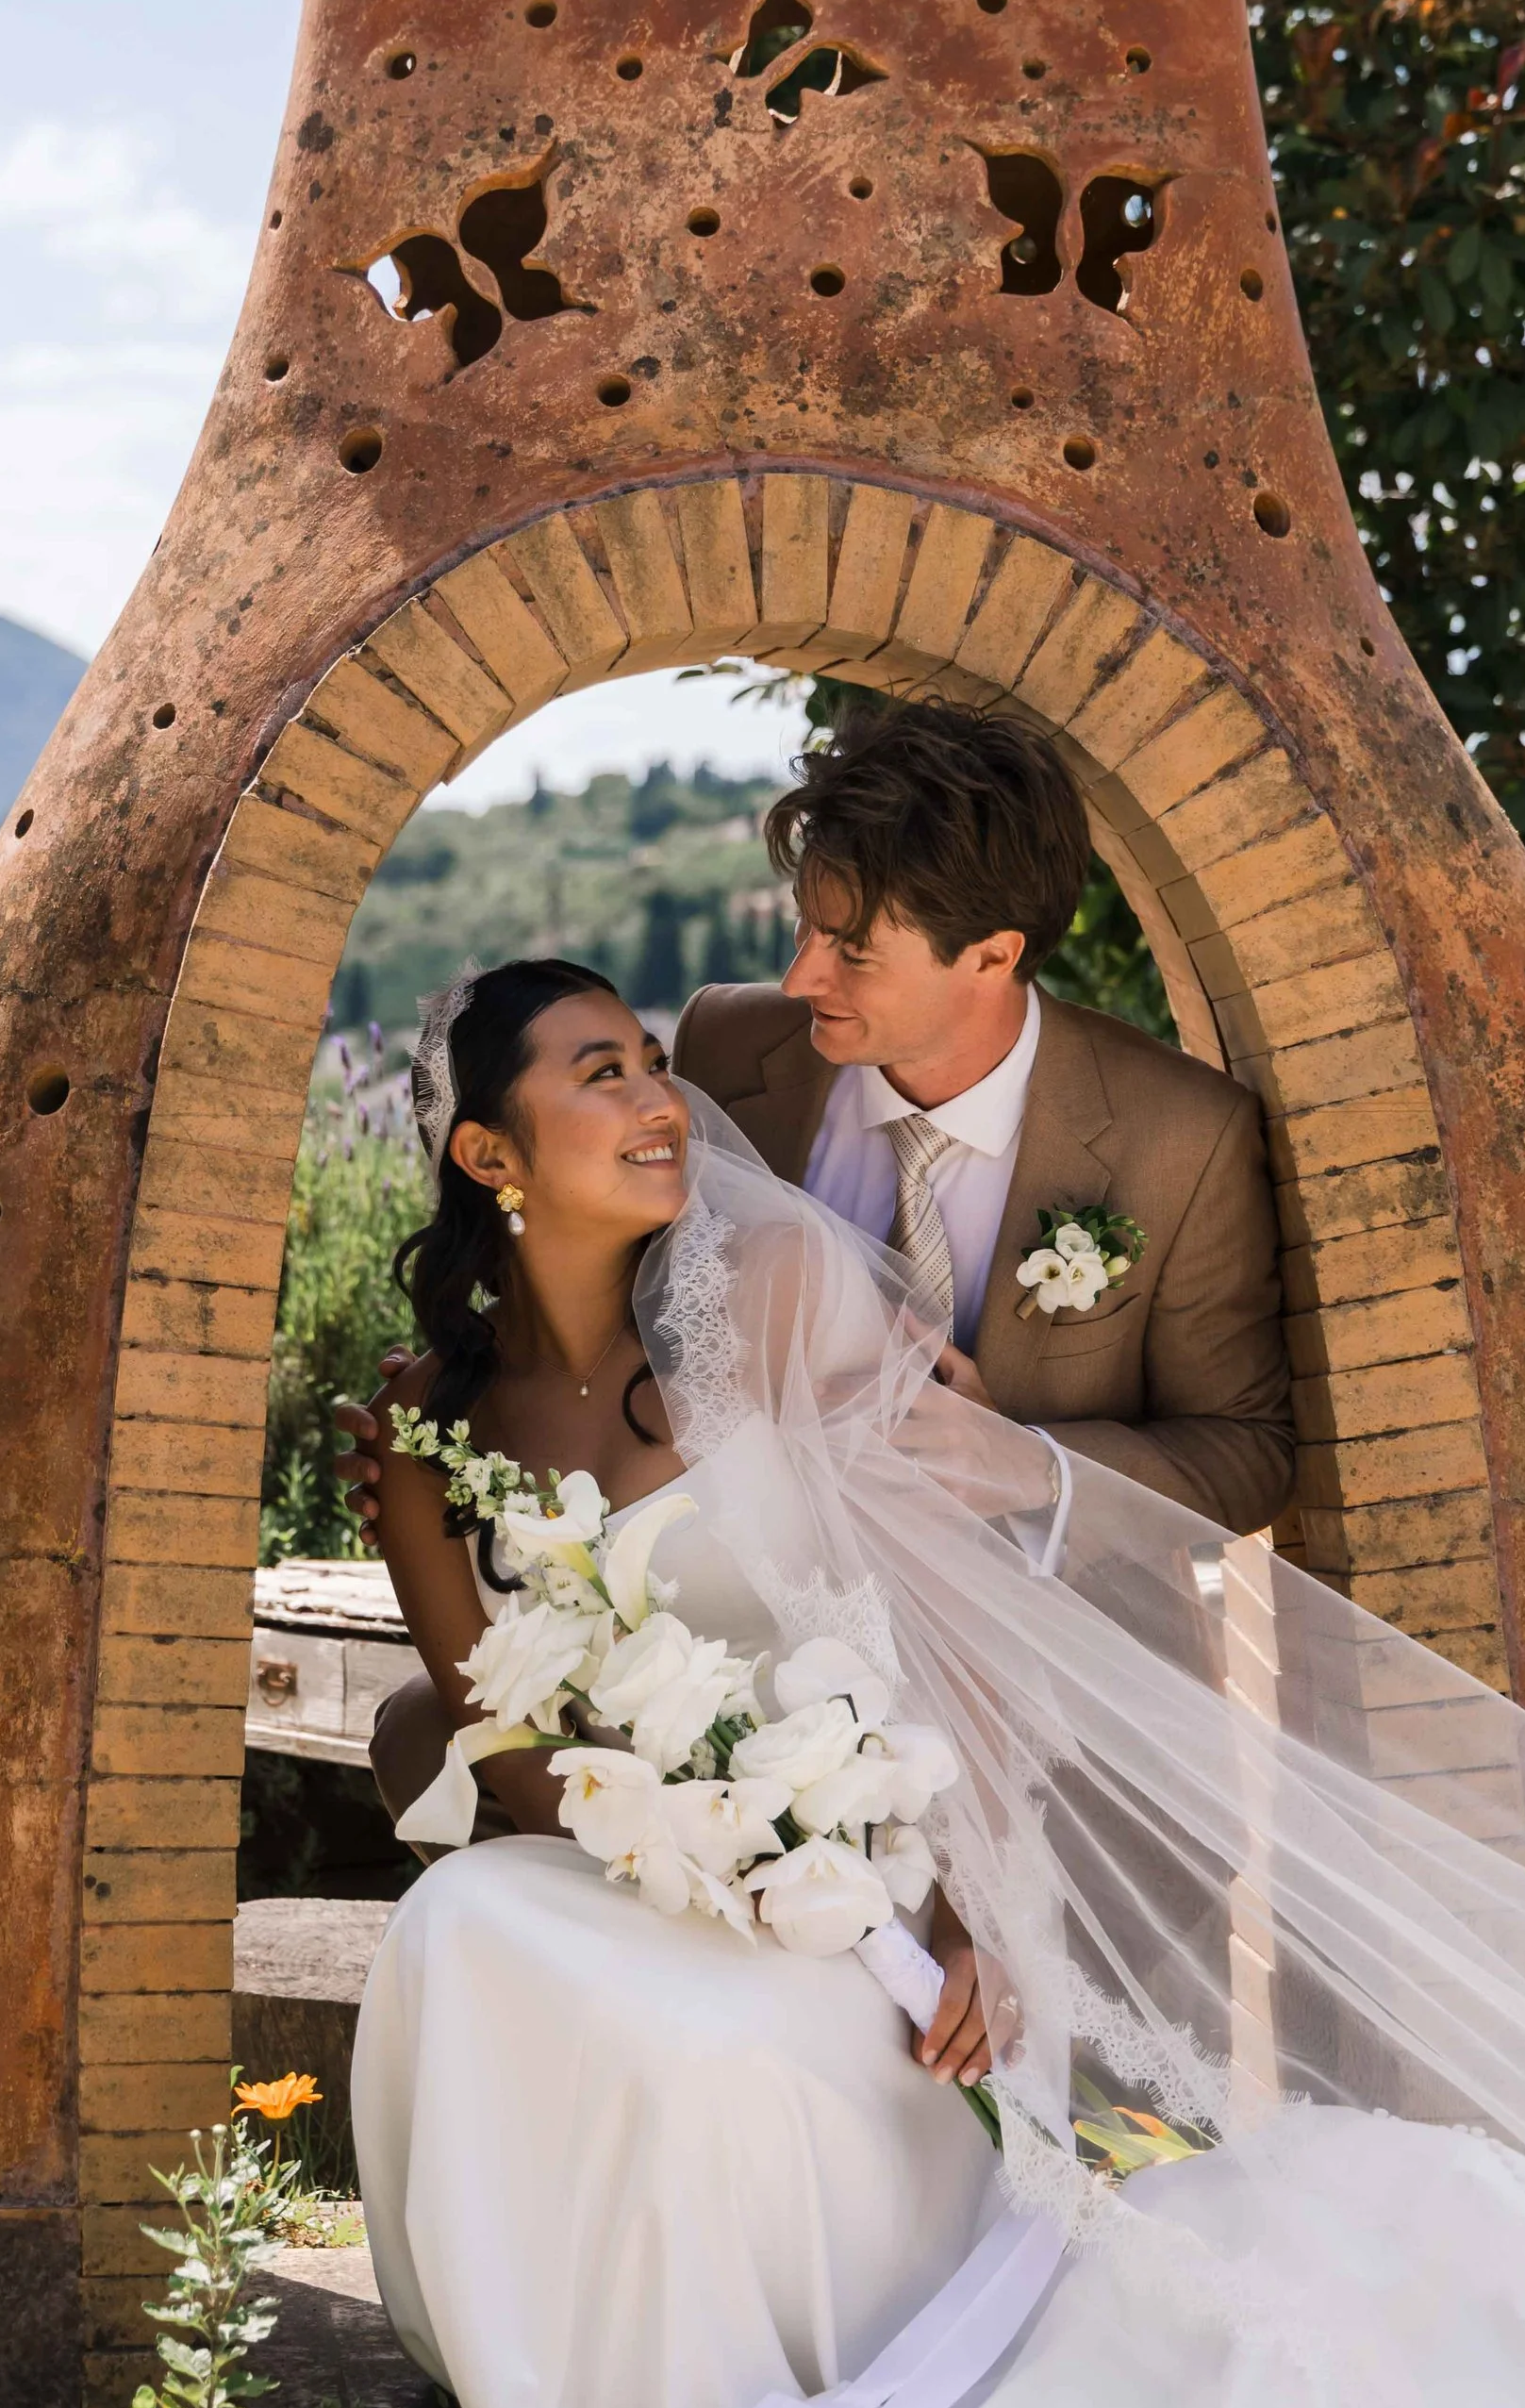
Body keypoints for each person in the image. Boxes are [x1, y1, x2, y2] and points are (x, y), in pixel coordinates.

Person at [356, 952, 1525, 2408]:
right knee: (469, 1931)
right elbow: (497, 1730)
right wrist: (693, 1831)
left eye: (654, 1061)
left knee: (747, 2049)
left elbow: (962, 1616)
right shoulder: (428, 1421)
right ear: (494, 1158)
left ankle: (797, 2359)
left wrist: (980, 1910)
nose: (659, 1102)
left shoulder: (773, 1293)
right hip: (653, 1865)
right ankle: (595, 2404)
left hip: (881, 1873)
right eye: (597, 1077)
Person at [356, 697, 1292, 1826]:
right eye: (807, 927)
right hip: (749, 1721)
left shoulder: (1175, 1138)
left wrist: (1030, 1468)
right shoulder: (726, 1049)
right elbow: (587, 1277)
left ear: (990, 956)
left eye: (851, 950)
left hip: (1074, 1712)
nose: (801, 980)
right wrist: (472, 1446)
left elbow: (1245, 1453)